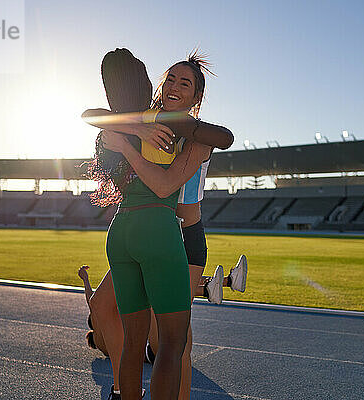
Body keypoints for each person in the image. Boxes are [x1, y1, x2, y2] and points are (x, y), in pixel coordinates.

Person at [86, 48, 235, 400]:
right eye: (170, 77)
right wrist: (136, 132)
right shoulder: (155, 126)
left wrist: (127, 141)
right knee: (171, 342)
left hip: (121, 232)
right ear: (160, 83)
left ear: (196, 96)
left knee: (135, 342)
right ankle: (214, 284)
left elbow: (224, 136)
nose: (174, 85)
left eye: (185, 82)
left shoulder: (177, 129)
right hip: (158, 229)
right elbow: (166, 186)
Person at [78, 257, 246, 399]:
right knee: (154, 288)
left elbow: (97, 304)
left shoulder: (108, 335)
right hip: (151, 352)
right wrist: (85, 279)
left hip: (151, 349)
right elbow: (94, 304)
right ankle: (219, 285)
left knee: (158, 287)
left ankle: (217, 286)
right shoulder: (101, 339)